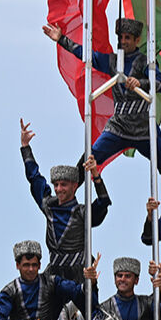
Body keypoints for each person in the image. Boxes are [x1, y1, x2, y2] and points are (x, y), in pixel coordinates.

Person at [42, 17, 161, 194]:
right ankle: (66, 200)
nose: (123, 41)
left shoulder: (145, 62)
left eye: (128, 38)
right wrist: (61, 39)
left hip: (144, 127)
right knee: (90, 157)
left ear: (137, 40)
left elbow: (159, 84)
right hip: (119, 126)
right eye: (121, 37)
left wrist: (141, 83)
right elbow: (86, 55)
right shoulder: (112, 61)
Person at [19, 119, 110, 281]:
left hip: (78, 274)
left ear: (75, 186)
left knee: (88, 297)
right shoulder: (49, 206)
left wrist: (96, 176)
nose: (59, 189)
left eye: (64, 185)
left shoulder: (82, 213)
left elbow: (103, 202)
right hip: (54, 274)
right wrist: (26, 147)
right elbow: (34, 178)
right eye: (56, 185)